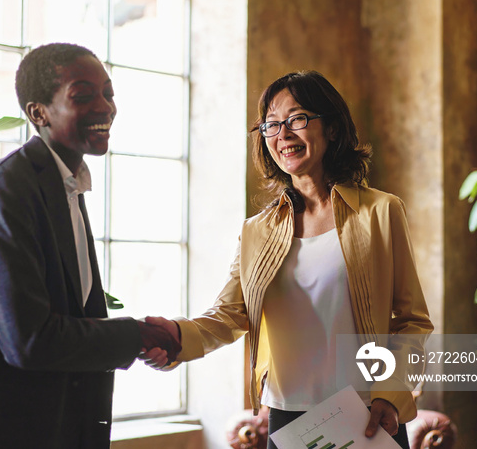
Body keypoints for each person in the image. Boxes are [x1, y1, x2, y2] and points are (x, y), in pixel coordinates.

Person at [0, 43, 179, 449]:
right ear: (38, 113)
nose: (105, 107)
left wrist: (137, 339)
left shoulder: (66, 183)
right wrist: (132, 336)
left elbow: (70, 316)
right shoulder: (6, 188)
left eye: (109, 93)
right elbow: (28, 340)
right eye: (83, 96)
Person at [142, 71, 433, 449]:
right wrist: (179, 337)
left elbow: (411, 321)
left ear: (330, 128)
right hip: (287, 418)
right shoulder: (257, 230)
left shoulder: (380, 212)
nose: (283, 135)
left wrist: (391, 394)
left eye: (297, 119)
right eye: (272, 125)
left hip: (367, 412)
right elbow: (230, 314)